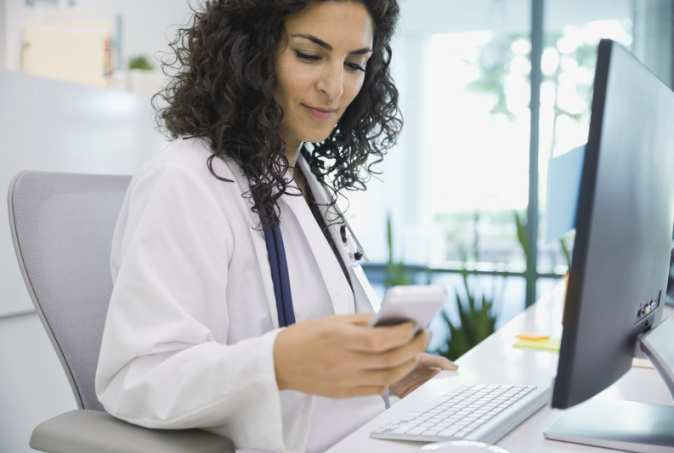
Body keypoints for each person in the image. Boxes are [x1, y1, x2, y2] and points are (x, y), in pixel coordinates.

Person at [95, 1, 457, 452]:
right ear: (249, 52)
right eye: (309, 55)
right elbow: (140, 378)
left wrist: (377, 371)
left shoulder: (300, 179)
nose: (335, 87)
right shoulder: (186, 179)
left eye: (355, 64)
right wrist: (276, 362)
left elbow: (316, 330)